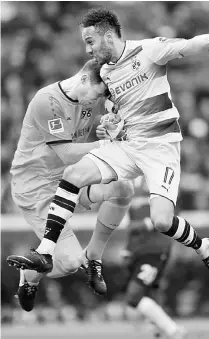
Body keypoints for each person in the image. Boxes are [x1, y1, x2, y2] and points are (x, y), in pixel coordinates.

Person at [8, 8, 209, 292]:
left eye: (91, 41)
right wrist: (110, 123)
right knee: (75, 174)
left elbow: (185, 47)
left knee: (162, 221)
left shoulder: (148, 50)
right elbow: (114, 111)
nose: (88, 49)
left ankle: (204, 247)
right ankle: (48, 252)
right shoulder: (104, 73)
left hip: (160, 147)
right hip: (128, 146)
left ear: (109, 35)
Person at [6, 59, 134, 312]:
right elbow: (66, 152)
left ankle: (94, 256)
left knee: (124, 189)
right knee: (69, 265)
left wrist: (102, 133)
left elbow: (76, 144)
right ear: (85, 79)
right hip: (35, 188)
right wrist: (108, 145)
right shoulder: (47, 101)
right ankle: (30, 275)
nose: (96, 100)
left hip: (67, 180)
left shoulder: (86, 102)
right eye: (97, 94)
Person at [121, 177, 187, 339]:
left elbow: (171, 219)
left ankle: (173, 331)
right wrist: (128, 249)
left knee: (134, 297)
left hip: (155, 252)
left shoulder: (164, 191)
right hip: (138, 252)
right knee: (150, 294)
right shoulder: (131, 195)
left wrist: (147, 224)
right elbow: (131, 227)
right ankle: (158, 330)